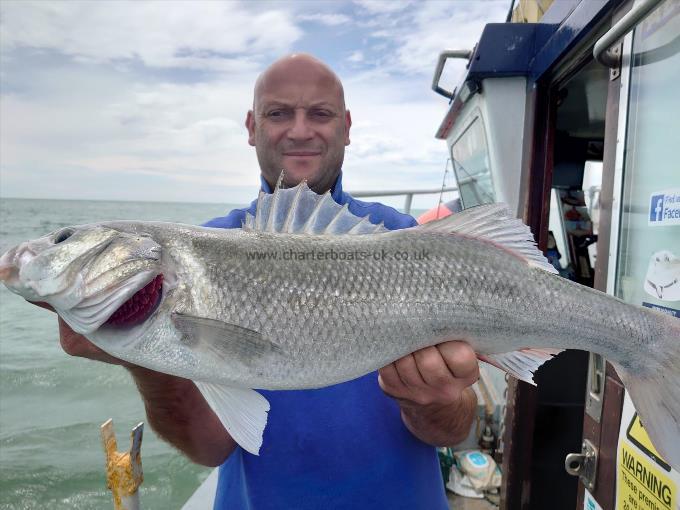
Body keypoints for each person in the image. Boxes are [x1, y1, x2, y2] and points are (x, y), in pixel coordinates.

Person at [51, 54, 480, 509]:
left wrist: (428, 401)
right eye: (279, 114)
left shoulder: (411, 243)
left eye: (319, 113)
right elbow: (209, 448)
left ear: (347, 127)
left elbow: (456, 429)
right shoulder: (201, 252)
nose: (299, 130)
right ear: (252, 127)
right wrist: (144, 352)